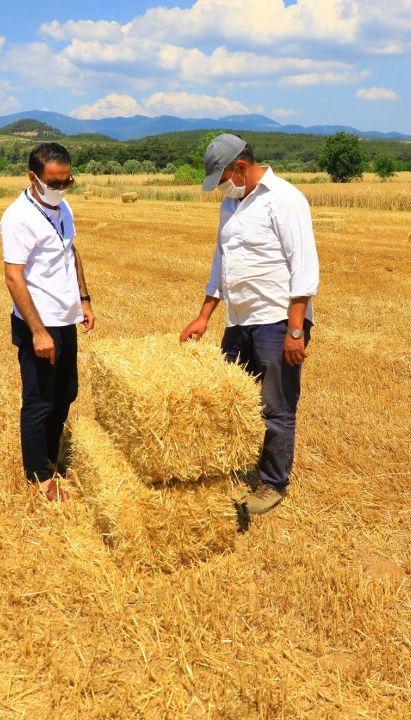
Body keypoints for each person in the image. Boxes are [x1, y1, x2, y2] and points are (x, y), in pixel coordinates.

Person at [179, 134, 319, 516]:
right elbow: (221, 261)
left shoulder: (285, 199)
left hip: (276, 320)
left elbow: (304, 269)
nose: (221, 188)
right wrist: (204, 315)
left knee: (276, 407)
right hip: (239, 320)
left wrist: (295, 330)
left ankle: (273, 483)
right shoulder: (230, 203)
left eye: (222, 179)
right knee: (228, 398)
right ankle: (230, 467)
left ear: (239, 167)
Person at [2, 142, 94, 501]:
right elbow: (13, 277)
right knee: (39, 400)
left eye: (67, 181)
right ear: (33, 177)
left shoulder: (62, 206)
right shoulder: (18, 217)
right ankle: (38, 475)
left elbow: (71, 250)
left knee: (66, 393)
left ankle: (50, 458)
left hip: (65, 318)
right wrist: (38, 331)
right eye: (54, 183)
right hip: (38, 322)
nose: (61, 188)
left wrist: (84, 299)